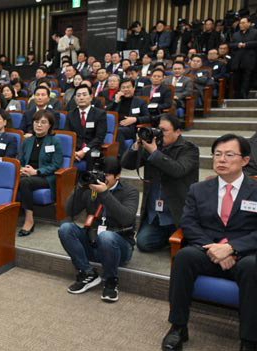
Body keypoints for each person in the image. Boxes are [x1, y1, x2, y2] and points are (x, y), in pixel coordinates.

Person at [162, 134, 257, 351]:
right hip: (207, 250)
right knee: (184, 256)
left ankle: (249, 339)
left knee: (253, 266)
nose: (221, 159)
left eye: (229, 155)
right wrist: (214, 249)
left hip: (245, 254)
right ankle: (178, 327)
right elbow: (189, 223)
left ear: (244, 160)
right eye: (217, 154)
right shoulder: (198, 189)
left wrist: (232, 248)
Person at [58, 157, 139, 302]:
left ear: (118, 175)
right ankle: (88, 273)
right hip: (93, 241)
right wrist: (80, 188)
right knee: (65, 228)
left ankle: (111, 281)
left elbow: (126, 218)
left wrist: (105, 193)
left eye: (106, 175)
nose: (101, 178)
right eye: (99, 173)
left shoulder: (130, 191)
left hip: (120, 247)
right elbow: (69, 210)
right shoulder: (91, 188)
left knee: (106, 237)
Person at [121, 114, 199, 252]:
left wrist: (155, 152)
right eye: (158, 129)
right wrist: (136, 146)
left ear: (178, 131)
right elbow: (126, 164)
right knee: (143, 244)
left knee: (184, 249)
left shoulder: (189, 149)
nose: (159, 133)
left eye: (164, 130)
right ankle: (167, 238)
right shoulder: (155, 146)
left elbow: (178, 170)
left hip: (177, 213)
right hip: (155, 214)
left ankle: (174, 236)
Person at [18, 110, 63, 236]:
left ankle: (29, 219)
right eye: (36, 122)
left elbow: (55, 165)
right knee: (13, 178)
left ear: (49, 125)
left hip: (45, 177)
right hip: (26, 173)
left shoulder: (55, 141)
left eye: (43, 122)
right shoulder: (27, 141)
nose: (39, 125)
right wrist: (22, 169)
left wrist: (36, 171)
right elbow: (20, 159)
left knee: (25, 182)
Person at [65, 85, 107, 162]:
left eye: (84, 95)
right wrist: (74, 152)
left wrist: (84, 150)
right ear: (74, 98)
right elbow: (68, 135)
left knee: (92, 154)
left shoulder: (100, 114)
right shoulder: (70, 114)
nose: (81, 98)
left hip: (93, 148)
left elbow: (99, 137)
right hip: (75, 149)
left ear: (91, 97)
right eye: (78, 95)